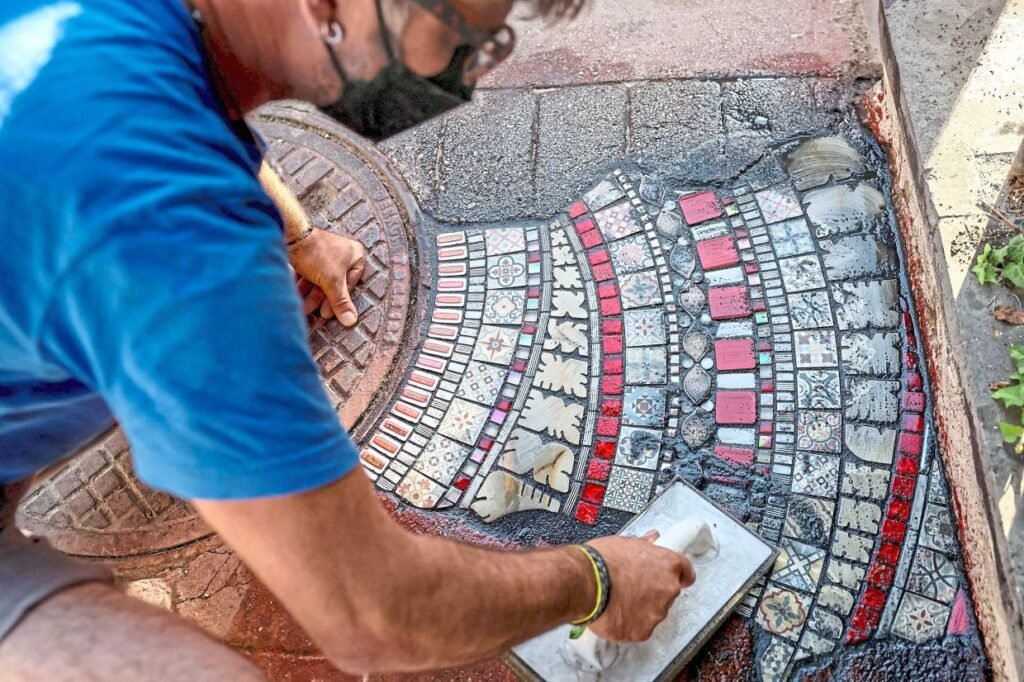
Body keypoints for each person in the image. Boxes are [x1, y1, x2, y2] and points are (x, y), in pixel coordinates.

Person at [0, 0, 696, 678]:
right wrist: (601, 580)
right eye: (457, 32)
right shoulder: (170, 225)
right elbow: (380, 614)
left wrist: (296, 234)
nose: (463, 73)